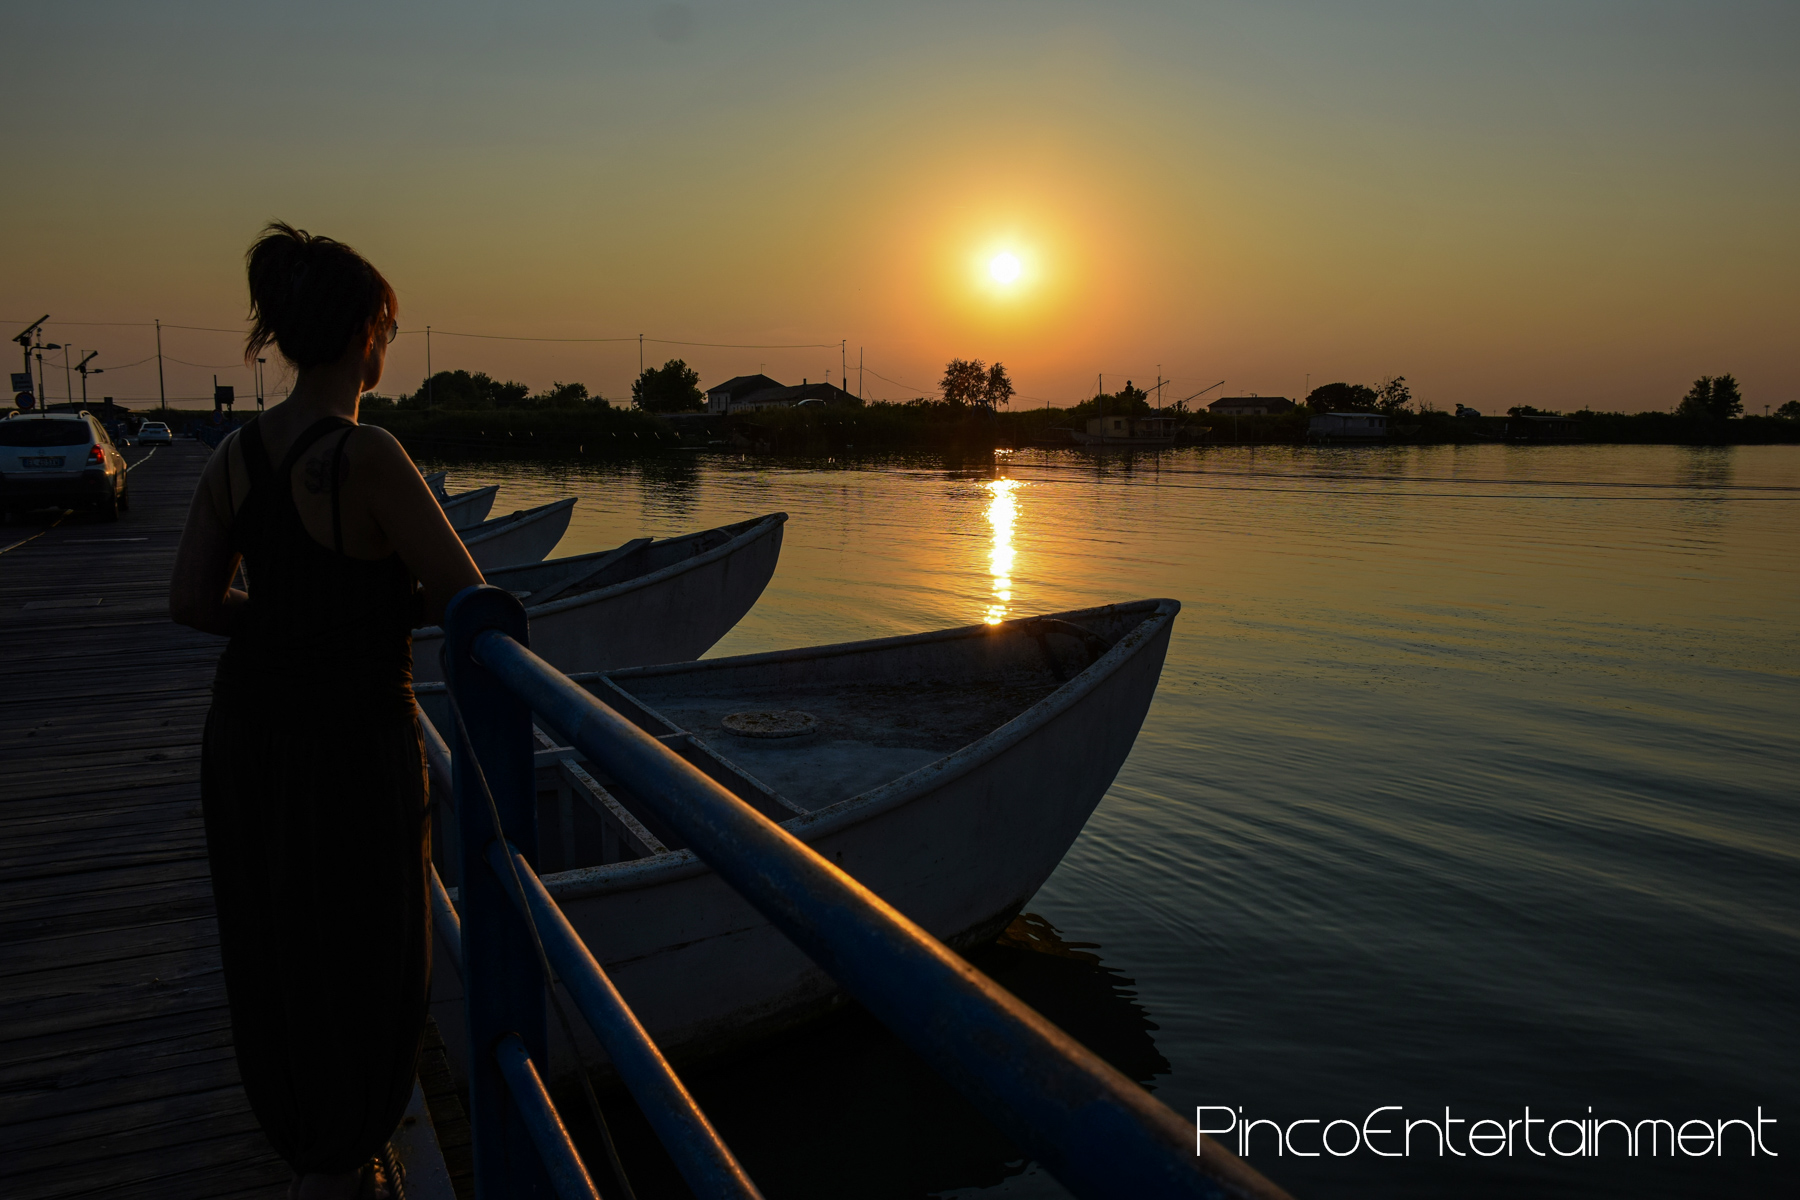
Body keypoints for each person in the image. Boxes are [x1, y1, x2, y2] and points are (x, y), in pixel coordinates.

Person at [171, 222, 482, 1200]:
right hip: (354, 742)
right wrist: (368, 611)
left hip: (249, 735)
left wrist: (286, 620)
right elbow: (465, 596)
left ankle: (306, 1139)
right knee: (373, 949)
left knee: (273, 940)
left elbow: (191, 601)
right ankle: (353, 1148)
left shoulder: (236, 458)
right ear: (362, 333)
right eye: (385, 325)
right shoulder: (370, 458)